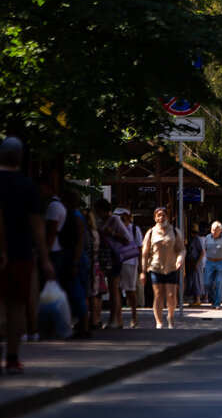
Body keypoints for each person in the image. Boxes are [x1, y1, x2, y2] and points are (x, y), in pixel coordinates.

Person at [0, 137, 55, 374]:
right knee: (16, 307)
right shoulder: (27, 187)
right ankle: (12, 358)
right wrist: (44, 258)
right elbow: (36, 225)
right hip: (20, 253)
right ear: (21, 158)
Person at [140, 207, 185, 329]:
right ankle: (159, 322)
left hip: (171, 267)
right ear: (155, 218)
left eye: (163, 215)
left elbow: (181, 249)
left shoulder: (175, 232)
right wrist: (143, 271)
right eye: (158, 215)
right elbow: (144, 254)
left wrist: (179, 260)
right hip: (155, 267)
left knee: (171, 295)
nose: (161, 218)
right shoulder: (150, 233)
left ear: (167, 217)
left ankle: (170, 316)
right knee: (158, 294)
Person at [93, 198, 131, 329]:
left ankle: (113, 319)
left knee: (113, 288)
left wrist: (113, 233)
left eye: (98, 210)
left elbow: (127, 238)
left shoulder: (114, 220)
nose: (97, 212)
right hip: (104, 256)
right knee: (105, 287)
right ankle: (105, 318)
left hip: (113, 256)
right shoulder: (101, 220)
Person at [59, 189, 90, 338]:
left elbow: (79, 242)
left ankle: (84, 324)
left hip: (77, 258)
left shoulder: (75, 217)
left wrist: (75, 263)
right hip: (75, 258)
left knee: (79, 291)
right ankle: (81, 324)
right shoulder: (74, 215)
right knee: (78, 291)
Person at [115, 207, 141, 328]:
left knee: (130, 290)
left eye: (122, 217)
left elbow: (139, 247)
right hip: (115, 260)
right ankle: (118, 318)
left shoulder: (134, 229)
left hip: (130, 262)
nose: (119, 219)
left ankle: (134, 316)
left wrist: (141, 266)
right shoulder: (113, 228)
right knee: (115, 290)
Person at [204, 221, 222, 309]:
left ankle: (217, 303)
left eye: (216, 230)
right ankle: (212, 299)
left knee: (220, 283)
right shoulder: (207, 238)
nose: (213, 232)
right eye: (212, 230)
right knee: (207, 283)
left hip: (221, 262)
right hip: (209, 262)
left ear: (220, 230)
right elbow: (205, 249)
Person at [184, 223, 205, 306]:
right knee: (192, 280)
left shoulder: (198, 239)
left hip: (196, 263)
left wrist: (197, 263)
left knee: (197, 280)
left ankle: (198, 299)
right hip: (191, 263)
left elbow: (202, 252)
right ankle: (195, 299)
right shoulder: (191, 239)